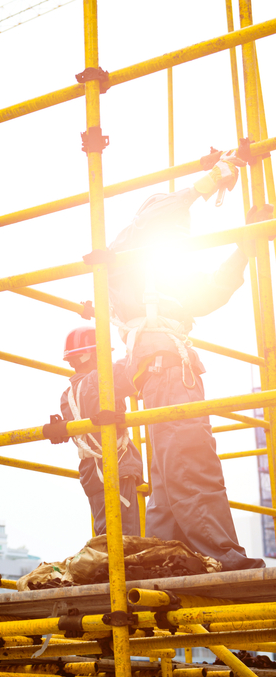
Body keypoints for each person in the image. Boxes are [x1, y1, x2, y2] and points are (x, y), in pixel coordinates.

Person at [107, 151, 266, 570]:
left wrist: (245, 246)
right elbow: (158, 213)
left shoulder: (163, 280)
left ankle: (166, 556)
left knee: (167, 468)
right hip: (164, 361)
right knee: (189, 453)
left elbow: (212, 291)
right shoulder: (130, 255)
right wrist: (209, 182)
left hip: (165, 362)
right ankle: (220, 552)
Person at [58, 326, 143, 536]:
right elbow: (133, 369)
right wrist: (140, 337)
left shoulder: (67, 396)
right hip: (115, 466)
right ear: (91, 356)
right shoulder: (100, 379)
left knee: (105, 535)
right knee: (125, 538)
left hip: (91, 472)